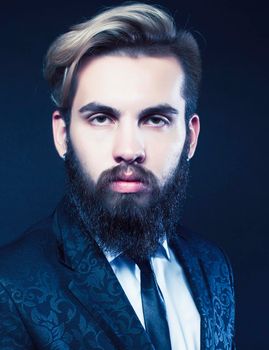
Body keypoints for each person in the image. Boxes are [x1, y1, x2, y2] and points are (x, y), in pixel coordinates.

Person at [0, 3, 235, 349]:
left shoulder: (213, 266)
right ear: (62, 134)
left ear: (191, 137)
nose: (128, 149)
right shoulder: (9, 286)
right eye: (101, 118)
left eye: (155, 119)